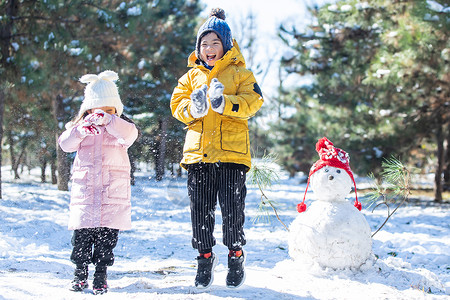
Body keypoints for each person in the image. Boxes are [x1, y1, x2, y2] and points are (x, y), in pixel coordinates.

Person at [170, 8, 264, 289]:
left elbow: (254, 101)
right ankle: (204, 257)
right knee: (200, 210)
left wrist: (227, 104)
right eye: (204, 44)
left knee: (233, 210)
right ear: (198, 48)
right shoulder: (190, 77)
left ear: (226, 45)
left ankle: (235, 256)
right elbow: (177, 106)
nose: (209, 49)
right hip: (199, 155)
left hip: (232, 156)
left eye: (215, 43)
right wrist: (194, 108)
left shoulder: (240, 73)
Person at [58, 70, 138, 295]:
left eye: (109, 110)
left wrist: (110, 121)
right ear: (88, 110)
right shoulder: (79, 128)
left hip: (111, 194)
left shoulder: (122, 127)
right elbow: (65, 144)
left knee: (106, 240)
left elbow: (130, 135)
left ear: (116, 110)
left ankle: (101, 274)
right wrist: (80, 132)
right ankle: (80, 273)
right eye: (97, 110)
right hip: (86, 194)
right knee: (81, 239)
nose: (102, 114)